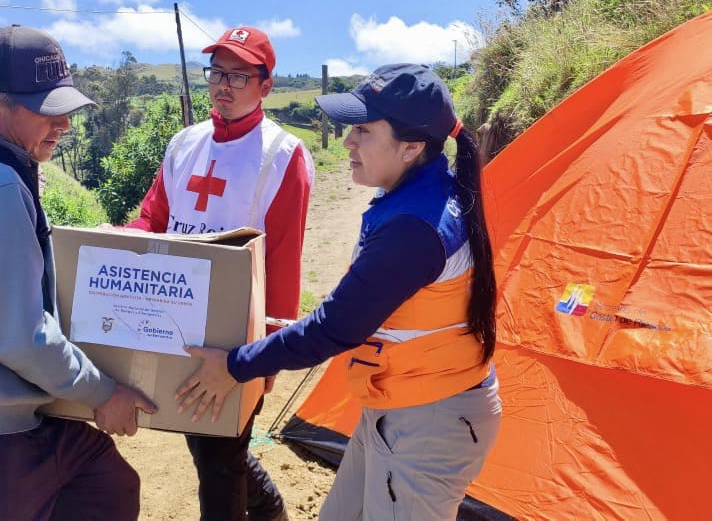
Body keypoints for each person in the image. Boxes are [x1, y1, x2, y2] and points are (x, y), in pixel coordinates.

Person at [176, 64, 502, 521]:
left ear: (411, 147)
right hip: (399, 405)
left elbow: (335, 326)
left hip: (430, 421)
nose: (348, 141)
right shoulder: (416, 198)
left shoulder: (415, 226)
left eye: (364, 130)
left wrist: (234, 366)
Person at [0, 25, 156, 521]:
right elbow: (17, 337)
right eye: (46, 108)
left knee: (109, 488)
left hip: (20, 418)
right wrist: (104, 393)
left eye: (64, 108)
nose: (62, 124)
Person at [125, 26, 314, 521]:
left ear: (265, 86)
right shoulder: (184, 143)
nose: (223, 86)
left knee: (219, 459)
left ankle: (264, 508)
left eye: (238, 75)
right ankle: (269, 507)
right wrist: (116, 239)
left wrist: (266, 356)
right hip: (172, 316)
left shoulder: (283, 156)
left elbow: (285, 260)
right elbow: (152, 219)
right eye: (217, 73)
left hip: (235, 332)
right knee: (202, 439)